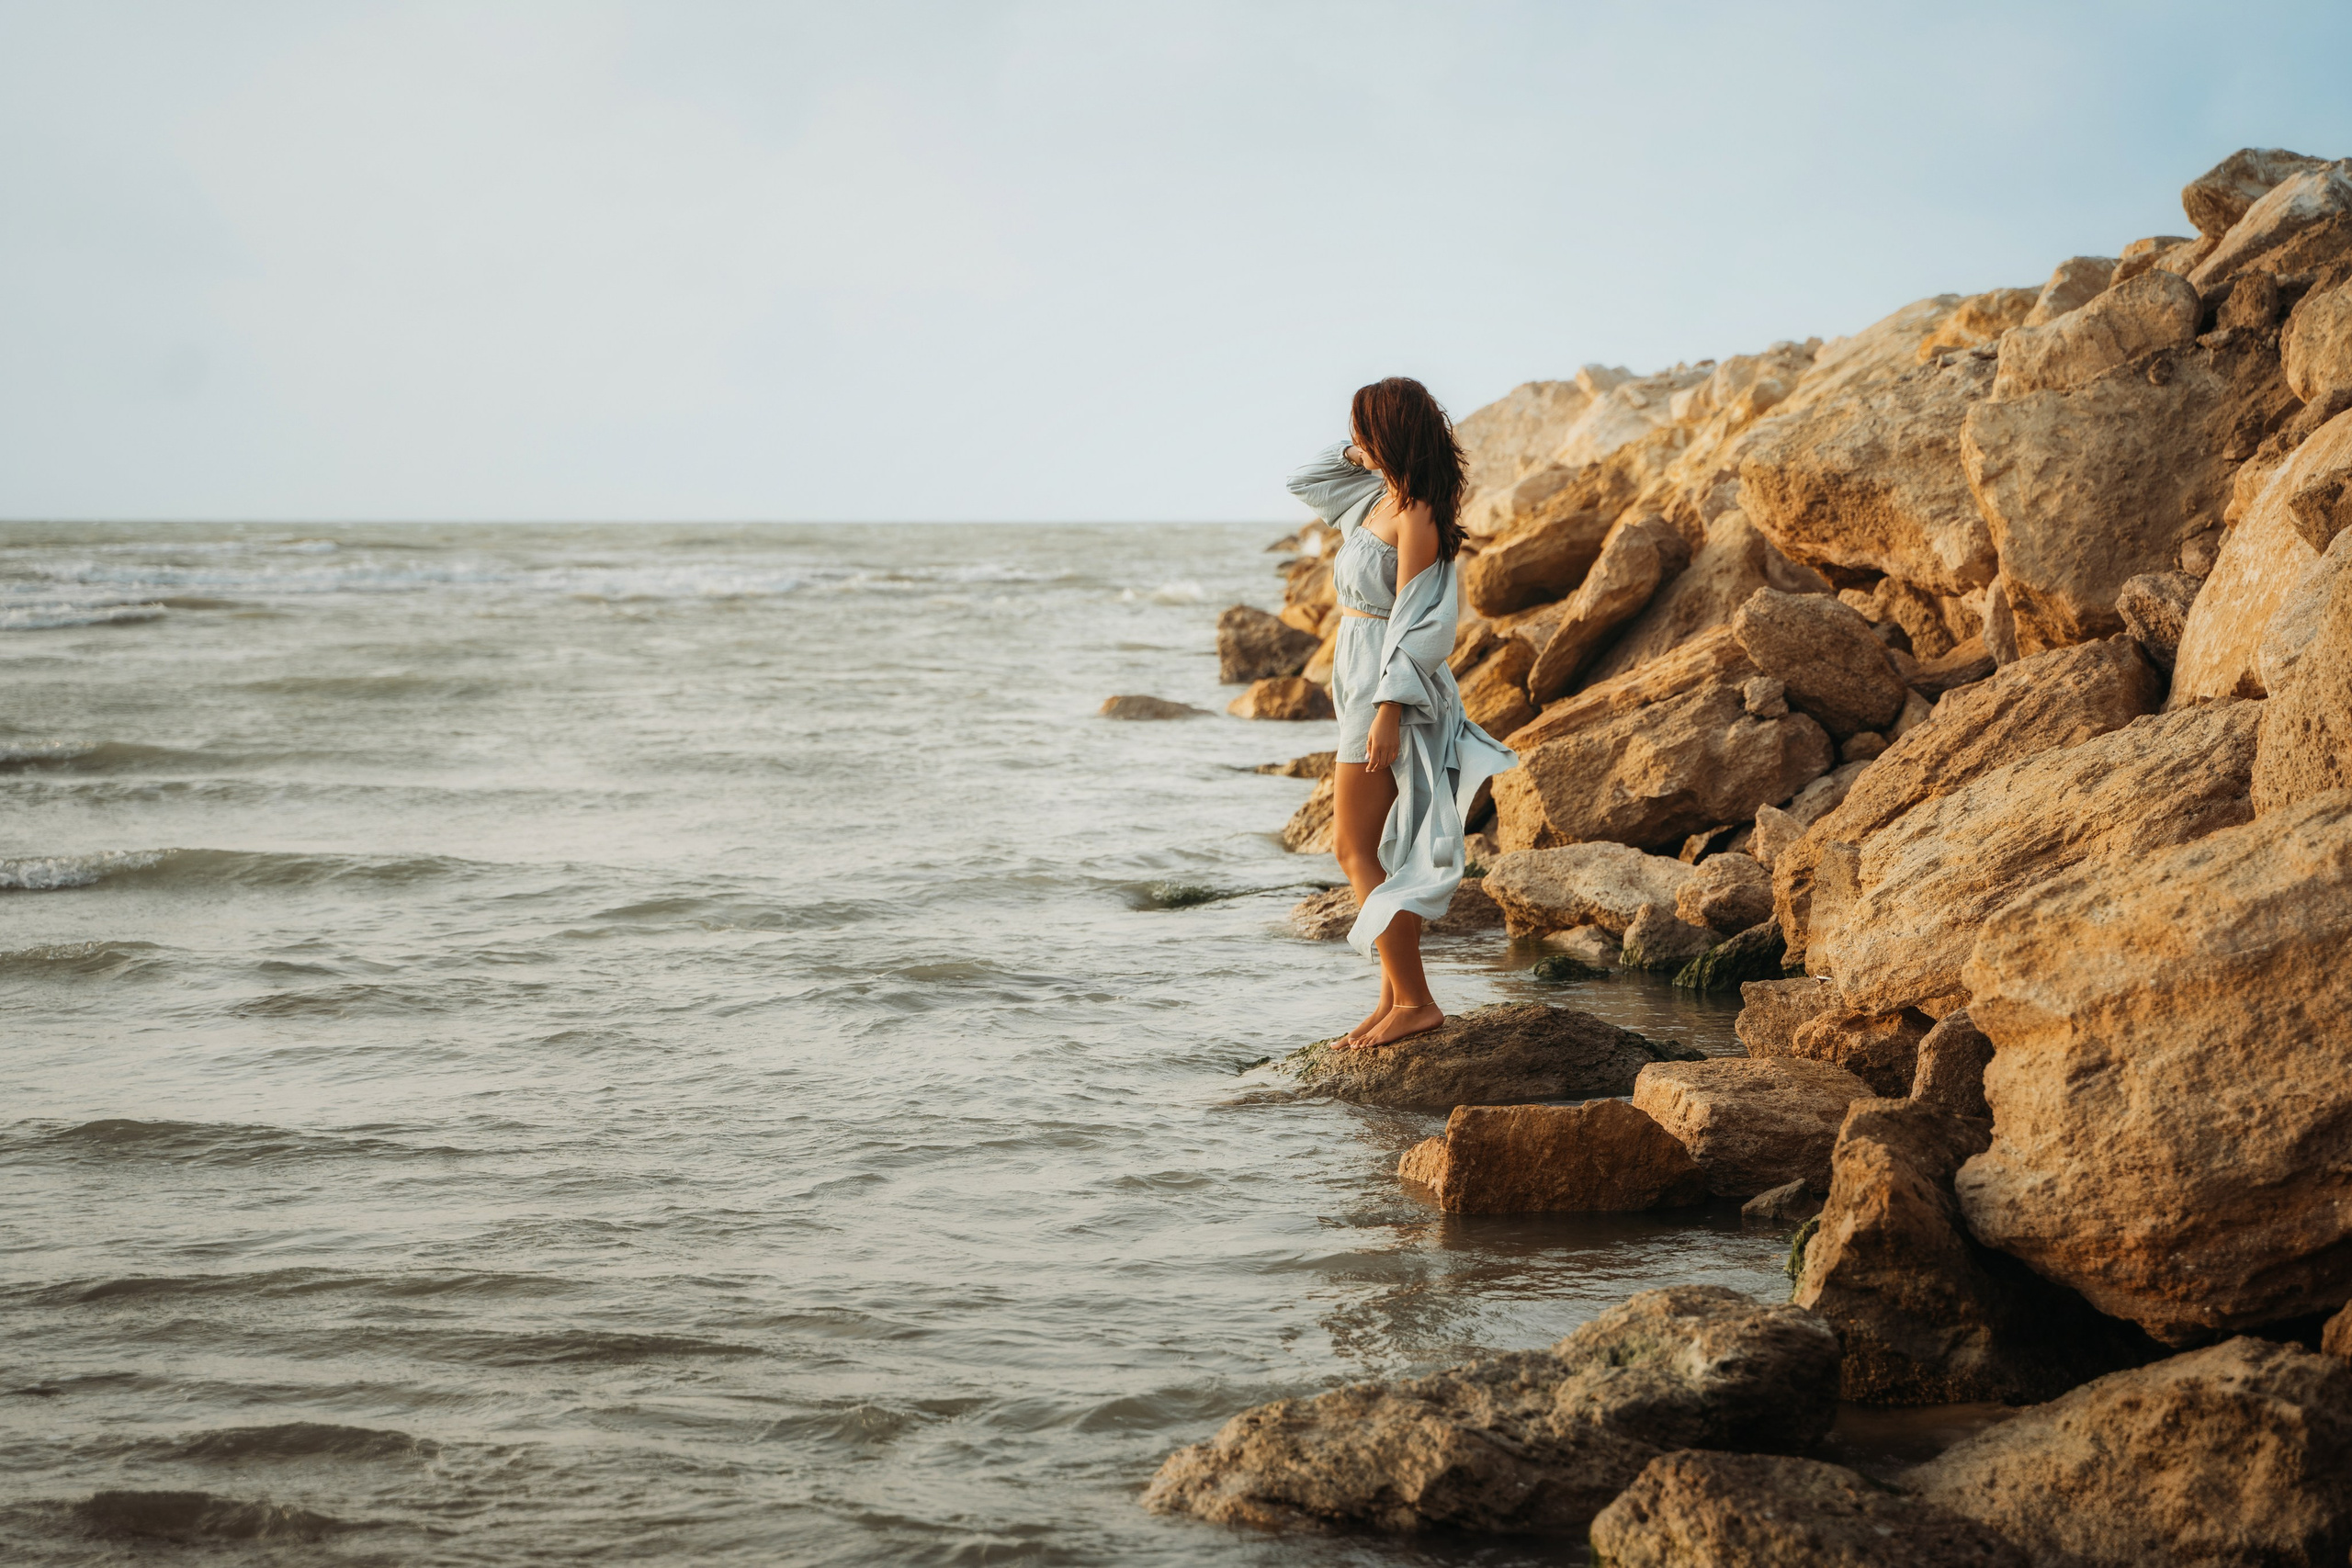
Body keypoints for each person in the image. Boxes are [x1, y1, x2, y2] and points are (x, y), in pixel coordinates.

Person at [1285, 378, 1519, 1048]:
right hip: (1359, 685)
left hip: (1390, 694)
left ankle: (1416, 1000)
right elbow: (1305, 478)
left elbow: (1419, 619)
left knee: (1352, 847)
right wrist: (1363, 451)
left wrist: (1388, 709)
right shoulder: (1375, 496)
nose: (1353, 440)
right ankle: (1394, 997)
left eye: (1364, 427)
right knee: (1380, 853)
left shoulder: (1416, 513)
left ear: (1390, 430)